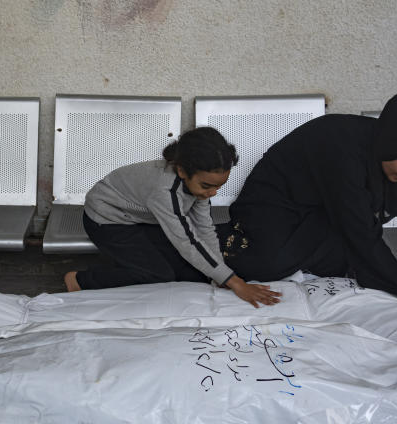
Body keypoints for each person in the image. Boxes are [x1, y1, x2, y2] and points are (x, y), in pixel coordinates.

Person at [220, 91, 397, 321]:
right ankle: (206, 244)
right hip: (271, 205)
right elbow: (359, 227)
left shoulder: (378, 144)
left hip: (316, 209)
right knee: (269, 264)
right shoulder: (343, 152)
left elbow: (361, 223)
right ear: (391, 147)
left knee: (342, 260)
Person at [64, 127, 282, 307]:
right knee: (158, 274)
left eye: (218, 187)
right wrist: (234, 282)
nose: (212, 193)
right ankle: (80, 280)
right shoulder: (165, 191)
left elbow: (204, 227)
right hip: (107, 220)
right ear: (182, 171)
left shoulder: (198, 183)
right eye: (207, 186)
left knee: (196, 269)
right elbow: (186, 241)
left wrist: (222, 274)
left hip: (141, 218)